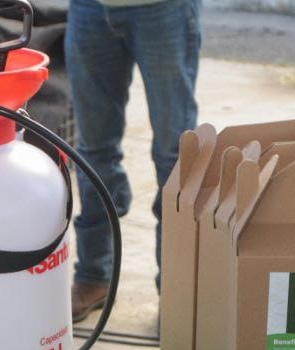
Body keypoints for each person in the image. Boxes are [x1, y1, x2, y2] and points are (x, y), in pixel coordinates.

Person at [65, 0, 201, 322]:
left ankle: (176, 291)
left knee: (175, 156)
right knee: (93, 149)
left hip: (165, 9)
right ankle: (94, 274)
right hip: (90, 8)